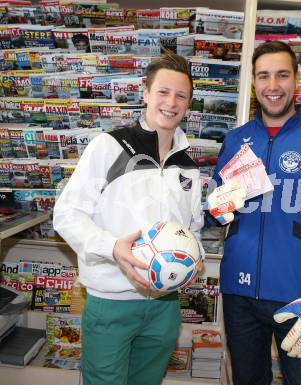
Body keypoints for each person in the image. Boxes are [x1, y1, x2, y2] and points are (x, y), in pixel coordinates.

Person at [207, 41, 301, 385]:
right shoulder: (236, 141)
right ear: (253, 83)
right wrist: (216, 206)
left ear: (296, 80)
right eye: (263, 76)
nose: (272, 86)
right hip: (240, 292)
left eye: (281, 75)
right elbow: (216, 213)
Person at [53, 52, 204, 385]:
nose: (171, 102)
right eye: (163, 92)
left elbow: (191, 229)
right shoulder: (108, 147)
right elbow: (66, 214)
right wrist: (112, 247)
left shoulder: (189, 166)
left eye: (180, 95)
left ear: (188, 103)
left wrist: (197, 258)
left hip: (165, 306)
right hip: (111, 302)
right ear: (146, 93)